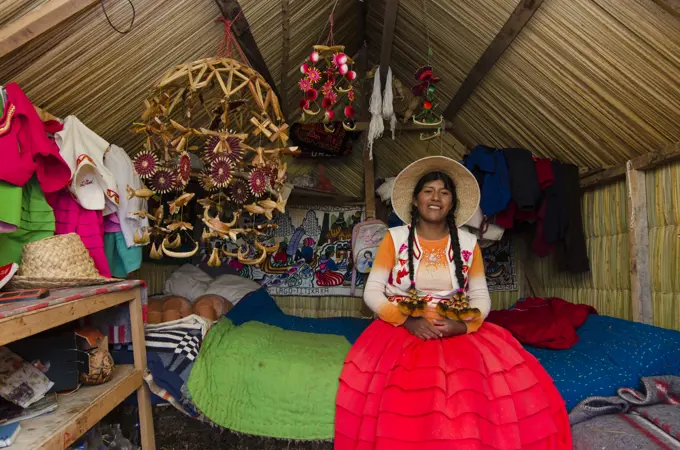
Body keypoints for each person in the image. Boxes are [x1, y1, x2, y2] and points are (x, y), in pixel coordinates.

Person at [334, 156, 572, 450]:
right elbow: (372, 292)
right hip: (401, 325)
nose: (436, 198)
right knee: (405, 397)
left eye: (444, 192)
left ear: (452, 203)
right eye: (428, 191)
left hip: (455, 324)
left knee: (479, 391)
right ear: (416, 200)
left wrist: (462, 326)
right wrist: (408, 322)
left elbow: (481, 297)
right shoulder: (394, 238)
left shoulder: (469, 243)